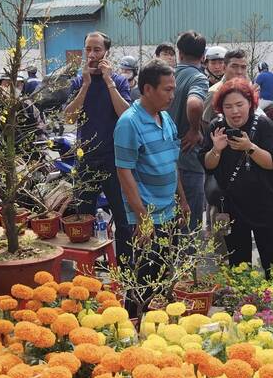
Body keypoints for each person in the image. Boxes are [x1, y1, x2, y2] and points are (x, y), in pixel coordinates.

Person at [114, 59, 189, 316]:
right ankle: (132, 332)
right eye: (167, 89)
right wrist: (142, 217)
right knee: (141, 282)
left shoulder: (166, 118)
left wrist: (182, 199)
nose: (172, 95)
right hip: (146, 217)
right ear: (147, 89)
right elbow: (124, 172)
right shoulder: (129, 122)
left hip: (168, 212)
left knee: (163, 276)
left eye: (173, 89)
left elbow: (172, 162)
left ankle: (154, 332)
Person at [200, 78, 273, 276]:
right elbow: (208, 165)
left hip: (264, 204)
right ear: (221, 108)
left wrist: (250, 148)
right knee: (239, 264)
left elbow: (272, 162)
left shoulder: (263, 125)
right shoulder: (216, 127)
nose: (235, 111)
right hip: (232, 207)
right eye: (228, 106)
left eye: (240, 105)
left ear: (250, 103)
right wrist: (216, 150)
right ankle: (243, 304)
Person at [64, 31, 133, 264]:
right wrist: (85, 85)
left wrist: (109, 81)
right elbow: (69, 118)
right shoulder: (77, 82)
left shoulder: (120, 81)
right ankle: (86, 270)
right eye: (88, 50)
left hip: (114, 160)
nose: (92, 55)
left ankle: (125, 268)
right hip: (86, 160)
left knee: (123, 218)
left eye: (97, 50)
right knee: (82, 218)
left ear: (106, 53)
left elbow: (126, 114)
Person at [166, 30, 210, 231]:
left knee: (170, 223)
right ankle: (187, 262)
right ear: (203, 57)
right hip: (188, 160)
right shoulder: (198, 78)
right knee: (189, 226)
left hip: (164, 159)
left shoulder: (167, 77)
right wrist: (194, 130)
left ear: (179, 52)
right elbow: (194, 104)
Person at [202, 49, 249, 126]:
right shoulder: (214, 93)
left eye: (243, 67)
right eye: (234, 67)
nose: (239, 71)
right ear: (224, 68)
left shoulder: (247, 90)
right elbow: (205, 123)